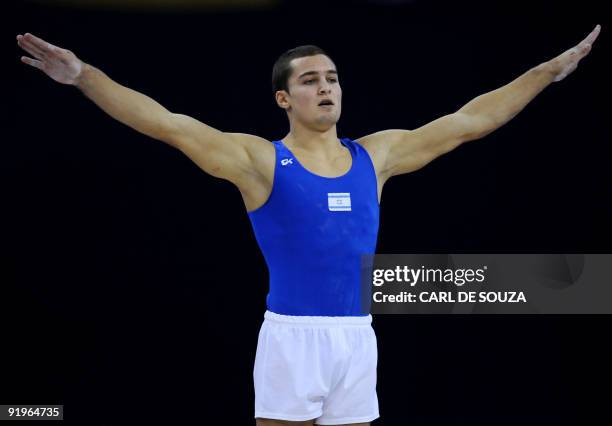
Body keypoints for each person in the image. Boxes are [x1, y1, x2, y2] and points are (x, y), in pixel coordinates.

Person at [16, 24, 600, 426]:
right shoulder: (260, 162)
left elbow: (470, 120)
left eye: (333, 78)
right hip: (293, 338)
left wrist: (544, 73)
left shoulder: (378, 156)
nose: (326, 87)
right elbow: (167, 124)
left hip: (356, 337)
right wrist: (83, 75)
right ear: (283, 98)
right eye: (311, 80)